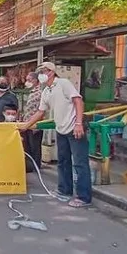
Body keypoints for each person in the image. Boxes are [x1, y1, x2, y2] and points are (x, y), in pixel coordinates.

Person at [20, 62, 92, 208]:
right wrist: (24, 126)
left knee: (79, 163)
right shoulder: (46, 91)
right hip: (61, 130)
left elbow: (78, 101)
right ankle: (64, 191)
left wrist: (78, 123)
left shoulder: (63, 83)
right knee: (63, 162)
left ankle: (84, 197)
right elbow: (40, 112)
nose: (40, 75)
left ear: (51, 72)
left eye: (42, 71)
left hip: (74, 128)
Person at [21, 72, 44, 172]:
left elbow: (41, 110)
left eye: (29, 80)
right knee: (28, 146)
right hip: (27, 124)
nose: (27, 82)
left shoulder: (40, 93)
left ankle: (36, 166)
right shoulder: (31, 92)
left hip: (35, 125)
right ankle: (30, 166)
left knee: (35, 146)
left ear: (35, 80)